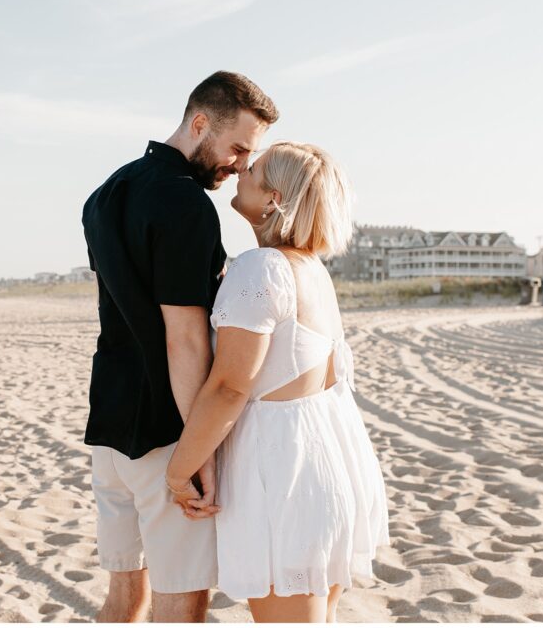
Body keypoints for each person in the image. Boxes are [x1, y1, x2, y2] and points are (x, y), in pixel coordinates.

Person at [165, 141, 391, 622]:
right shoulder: (312, 270)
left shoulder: (263, 268)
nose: (242, 169)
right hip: (330, 466)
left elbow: (230, 387)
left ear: (274, 199)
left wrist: (179, 469)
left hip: (284, 479)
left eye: (255, 169)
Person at [81, 71, 278, 622]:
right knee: (183, 600)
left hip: (109, 425)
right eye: (238, 146)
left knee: (123, 594)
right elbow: (185, 336)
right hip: (166, 430)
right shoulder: (186, 204)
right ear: (198, 123)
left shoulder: (104, 194)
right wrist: (199, 449)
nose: (241, 164)